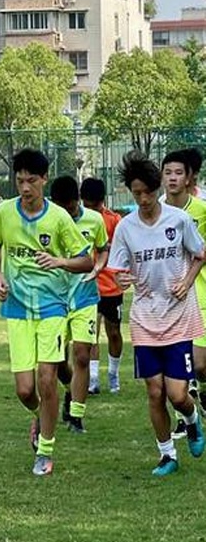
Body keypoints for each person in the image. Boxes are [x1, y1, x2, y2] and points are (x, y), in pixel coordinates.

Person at [0, 149, 92, 476]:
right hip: (17, 309)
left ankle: (45, 451)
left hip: (52, 309)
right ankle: (41, 415)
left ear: (43, 180)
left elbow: (86, 261)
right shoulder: (4, 212)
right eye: (20, 180)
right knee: (25, 390)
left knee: (47, 380)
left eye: (31, 180)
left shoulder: (58, 218)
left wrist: (59, 261)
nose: (25, 187)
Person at [108, 150, 205, 476]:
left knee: (177, 395)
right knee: (154, 391)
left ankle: (192, 419)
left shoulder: (178, 221)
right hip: (145, 319)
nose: (144, 198)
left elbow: (200, 254)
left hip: (178, 316)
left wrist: (187, 281)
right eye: (137, 193)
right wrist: (121, 277)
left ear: (157, 187)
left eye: (148, 192)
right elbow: (117, 270)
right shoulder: (125, 227)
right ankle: (167, 455)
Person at [49, 175, 110, 434]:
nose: (67, 213)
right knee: (57, 360)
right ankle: (68, 389)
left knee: (83, 354)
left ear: (78, 201)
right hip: (53, 299)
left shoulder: (94, 219)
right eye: (62, 208)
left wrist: (98, 266)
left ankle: (76, 416)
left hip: (85, 296)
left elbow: (103, 247)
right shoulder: (47, 219)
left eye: (71, 208)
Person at [160, 150, 206, 439]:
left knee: (200, 365)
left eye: (179, 173)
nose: (173, 178)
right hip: (171, 300)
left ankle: (199, 391)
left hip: (202, 293)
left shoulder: (201, 210)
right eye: (168, 172)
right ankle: (185, 419)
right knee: (175, 371)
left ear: (189, 178)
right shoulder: (157, 210)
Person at [80, 177, 124, 394]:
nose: (91, 211)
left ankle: (113, 374)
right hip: (88, 285)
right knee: (91, 334)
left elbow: (123, 251)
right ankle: (94, 379)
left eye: (95, 206)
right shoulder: (77, 220)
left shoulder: (114, 221)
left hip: (111, 287)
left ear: (102, 202)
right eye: (87, 206)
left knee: (114, 332)